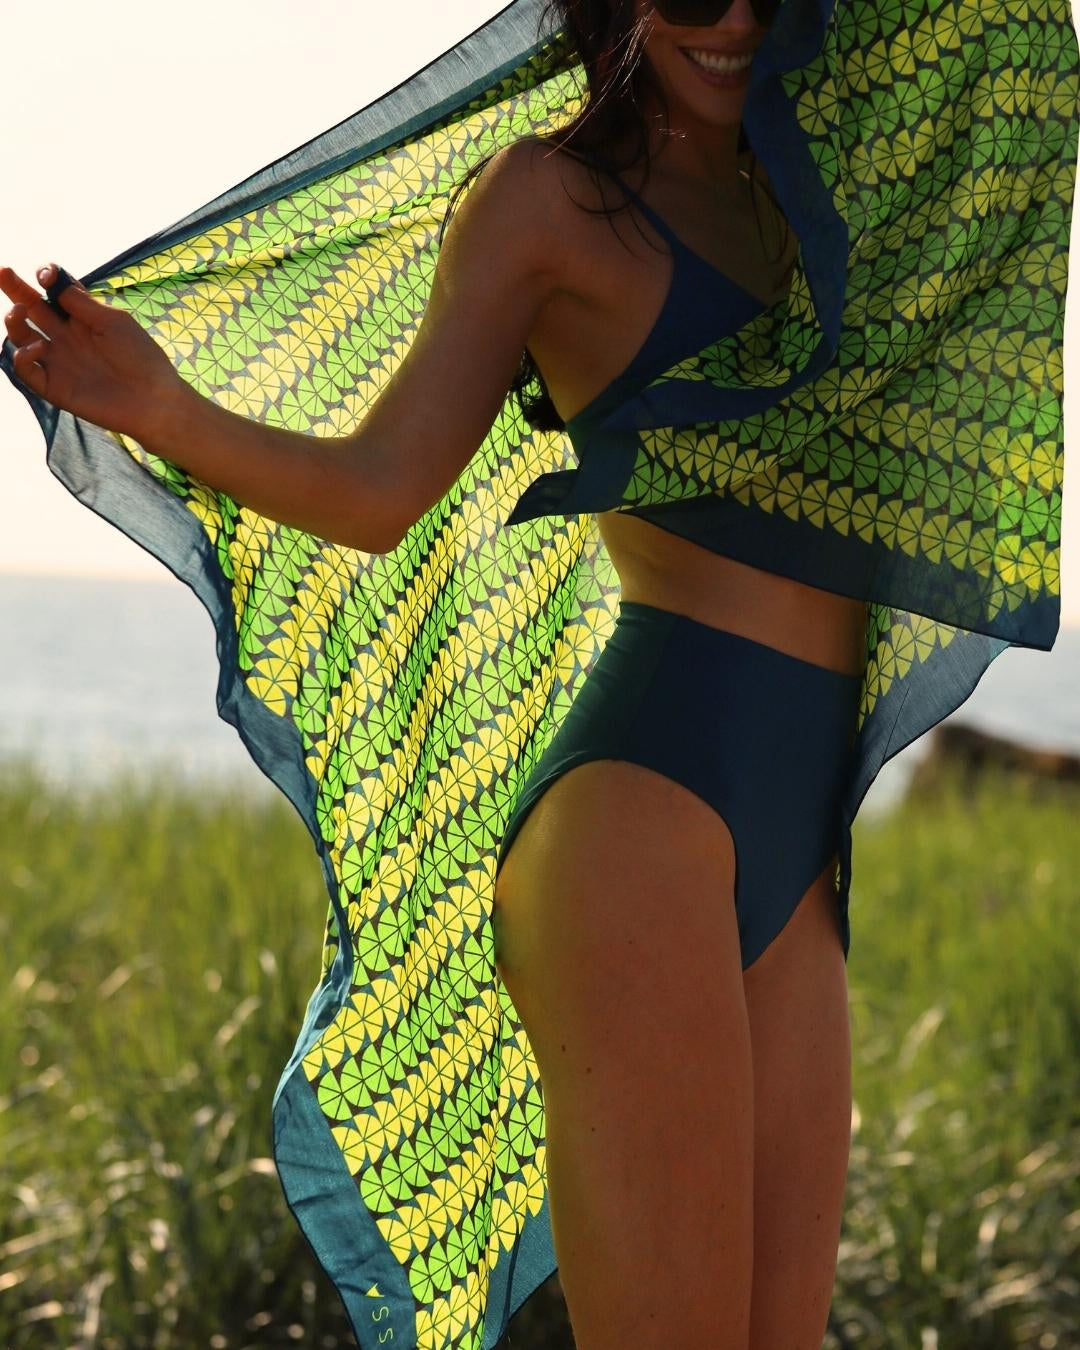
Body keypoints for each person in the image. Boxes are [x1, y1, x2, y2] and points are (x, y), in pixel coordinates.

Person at [1, 0, 1075, 1346]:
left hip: (801, 853)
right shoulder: (549, 203)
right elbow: (381, 488)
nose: (730, 20)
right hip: (640, 825)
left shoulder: (838, 197)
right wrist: (165, 409)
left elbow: (1017, 51)